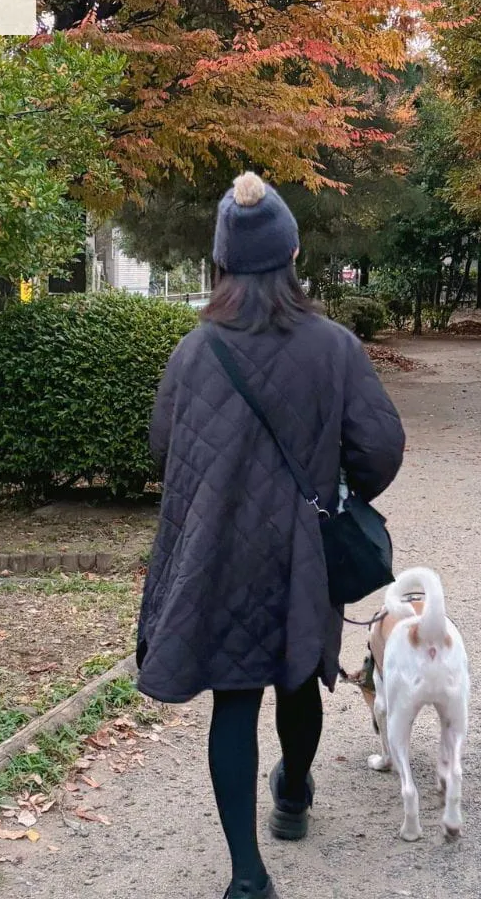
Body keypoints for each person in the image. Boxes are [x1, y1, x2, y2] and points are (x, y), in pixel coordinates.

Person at [137, 172, 407, 899]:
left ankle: (247, 878)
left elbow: (164, 449)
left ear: (221, 264)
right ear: (292, 256)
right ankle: (291, 792)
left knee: (233, 698)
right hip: (300, 549)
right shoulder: (333, 346)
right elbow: (380, 448)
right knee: (297, 675)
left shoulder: (194, 352)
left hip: (217, 552)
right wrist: (331, 492)